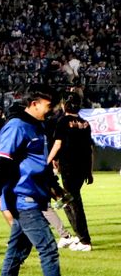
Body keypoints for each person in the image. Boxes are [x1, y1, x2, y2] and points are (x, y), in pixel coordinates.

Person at [0, 87, 94, 276]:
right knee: (49, 248)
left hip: (34, 196)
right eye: (47, 103)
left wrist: (55, 189)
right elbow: (2, 164)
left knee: (16, 253)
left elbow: (38, 165)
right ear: (33, 103)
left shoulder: (38, 127)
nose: (51, 107)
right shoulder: (17, 126)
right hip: (23, 199)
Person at [48, 94, 93, 252]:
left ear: (64, 105)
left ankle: (84, 240)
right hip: (82, 167)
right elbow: (89, 149)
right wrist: (90, 171)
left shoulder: (63, 122)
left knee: (73, 202)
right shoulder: (85, 124)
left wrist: (48, 160)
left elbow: (58, 144)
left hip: (69, 167)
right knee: (68, 201)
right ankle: (78, 237)